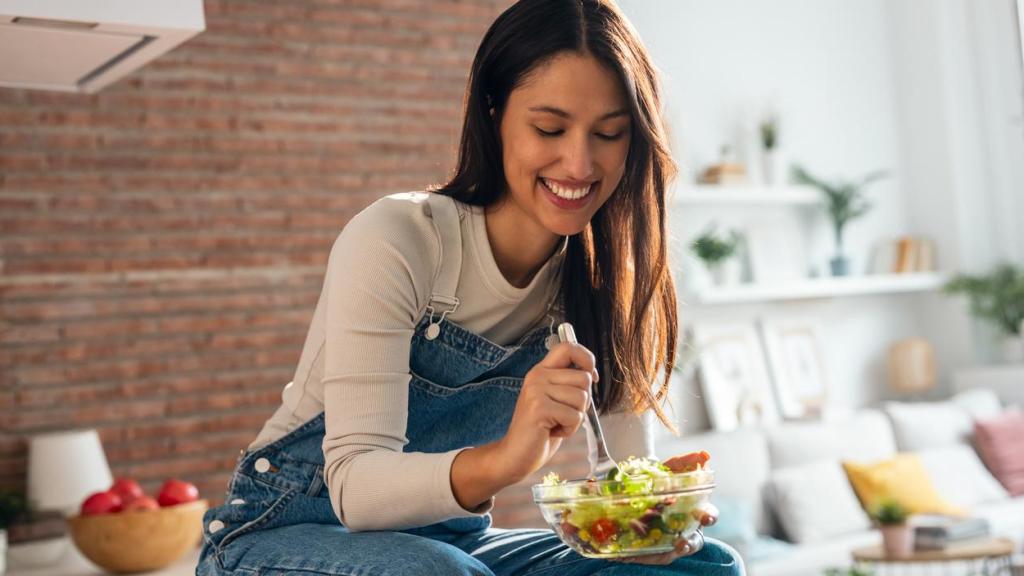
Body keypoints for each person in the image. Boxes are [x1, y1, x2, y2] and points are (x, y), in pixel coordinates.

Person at [197, 0, 744, 574]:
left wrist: (655, 514)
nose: (580, 163)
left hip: (449, 545)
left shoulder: (602, 282)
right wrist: (509, 460)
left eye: (609, 133)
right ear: (493, 112)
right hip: (281, 533)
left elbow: (626, 488)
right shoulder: (401, 238)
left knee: (704, 564)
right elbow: (355, 488)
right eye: (549, 128)